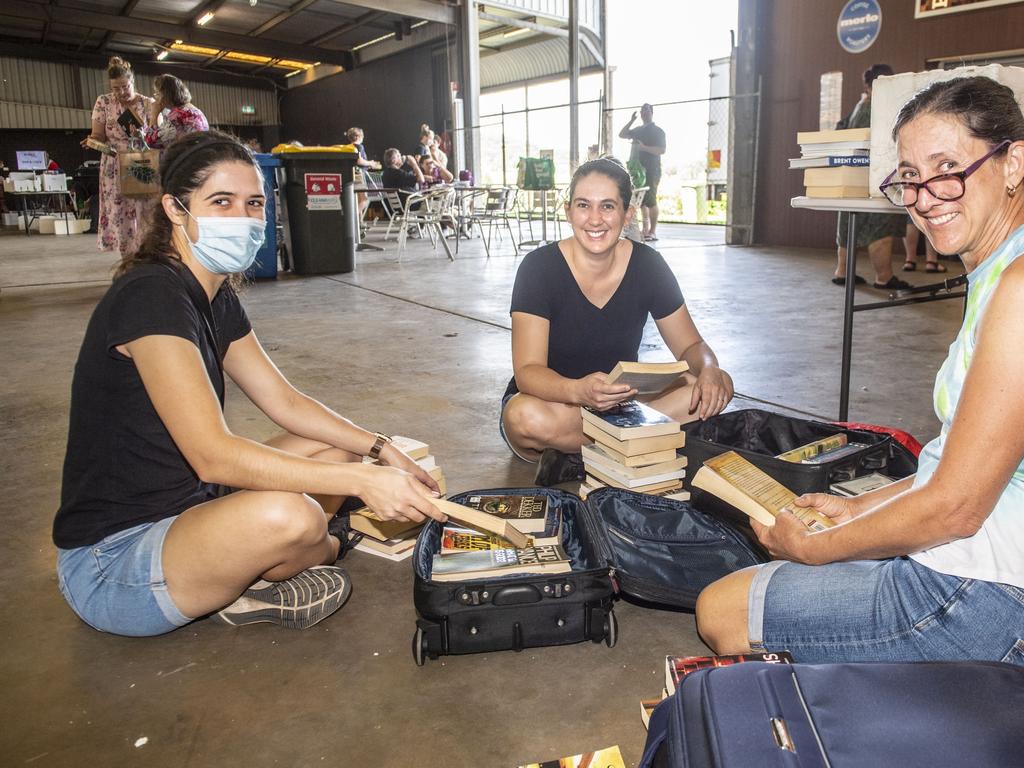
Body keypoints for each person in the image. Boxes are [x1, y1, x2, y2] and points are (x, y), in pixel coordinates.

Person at [53, 131, 446, 638]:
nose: (242, 217)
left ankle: (255, 566)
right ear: (175, 209)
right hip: (115, 561)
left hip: (190, 507)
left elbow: (283, 401)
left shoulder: (213, 294)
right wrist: (363, 485)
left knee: (335, 447)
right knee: (293, 516)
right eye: (221, 202)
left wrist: (381, 448)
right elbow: (213, 456)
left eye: (253, 203)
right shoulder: (151, 296)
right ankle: (319, 547)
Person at [696, 76, 1024, 665]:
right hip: (995, 555)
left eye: (948, 166)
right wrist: (857, 510)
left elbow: (958, 506)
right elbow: (964, 460)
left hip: (996, 594)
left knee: (722, 610)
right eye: (911, 176)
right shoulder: (999, 271)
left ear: (1013, 163)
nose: (926, 196)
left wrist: (819, 550)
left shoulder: (1020, 289)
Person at [500, 156, 733, 481]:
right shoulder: (538, 268)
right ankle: (629, 442)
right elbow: (527, 372)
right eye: (584, 205)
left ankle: (590, 450)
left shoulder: (648, 265)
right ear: (568, 211)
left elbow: (691, 344)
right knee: (524, 418)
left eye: (608, 206)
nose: (595, 219)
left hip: (621, 402)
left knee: (714, 387)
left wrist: (709, 369)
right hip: (556, 403)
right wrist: (579, 391)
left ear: (627, 214)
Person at [833, 64, 910, 290]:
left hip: (851, 174)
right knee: (881, 224)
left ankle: (842, 272)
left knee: (849, 224)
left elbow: (840, 129)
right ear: (882, 82)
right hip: (872, 175)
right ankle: (884, 276)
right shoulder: (878, 107)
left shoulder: (860, 105)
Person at [80, 56, 157, 258]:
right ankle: (127, 261)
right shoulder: (103, 102)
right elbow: (98, 135)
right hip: (114, 165)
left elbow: (158, 136)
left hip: (141, 161)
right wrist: (92, 141)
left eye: (125, 86)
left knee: (144, 211)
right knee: (121, 212)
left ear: (132, 81)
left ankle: (147, 257)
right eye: (116, 88)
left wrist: (141, 134)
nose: (121, 92)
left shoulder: (148, 103)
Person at [618, 103, 666, 241]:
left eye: (646, 110)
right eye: (642, 110)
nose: (644, 113)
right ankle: (644, 230)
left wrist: (644, 148)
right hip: (636, 170)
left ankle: (652, 231)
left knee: (650, 200)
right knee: (641, 200)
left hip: (651, 170)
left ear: (652, 112)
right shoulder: (638, 130)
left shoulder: (658, 131)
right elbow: (621, 134)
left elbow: (661, 150)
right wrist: (632, 120)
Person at [143, 74, 209, 150]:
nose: (156, 98)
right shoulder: (195, 111)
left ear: (166, 94)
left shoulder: (177, 115)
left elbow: (151, 142)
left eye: (157, 93)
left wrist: (154, 114)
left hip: (187, 160)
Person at [346, 127, 382, 220]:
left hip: (352, 175)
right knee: (364, 200)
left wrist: (367, 165)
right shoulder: (359, 146)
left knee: (358, 201)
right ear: (358, 136)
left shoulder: (348, 148)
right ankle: (350, 218)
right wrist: (370, 163)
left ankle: (359, 224)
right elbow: (359, 161)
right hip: (359, 175)